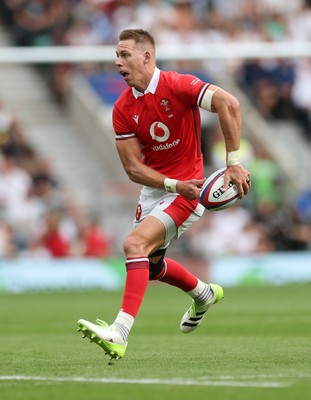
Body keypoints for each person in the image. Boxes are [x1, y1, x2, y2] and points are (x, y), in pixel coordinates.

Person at [77, 28, 251, 363]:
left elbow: (230, 103)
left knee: (134, 245)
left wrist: (233, 164)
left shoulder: (178, 84)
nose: (117, 62)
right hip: (160, 189)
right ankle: (204, 294)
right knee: (151, 265)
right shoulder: (123, 108)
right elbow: (132, 168)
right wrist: (171, 184)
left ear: (146, 56)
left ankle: (119, 333)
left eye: (124, 55)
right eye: (116, 55)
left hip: (190, 191)